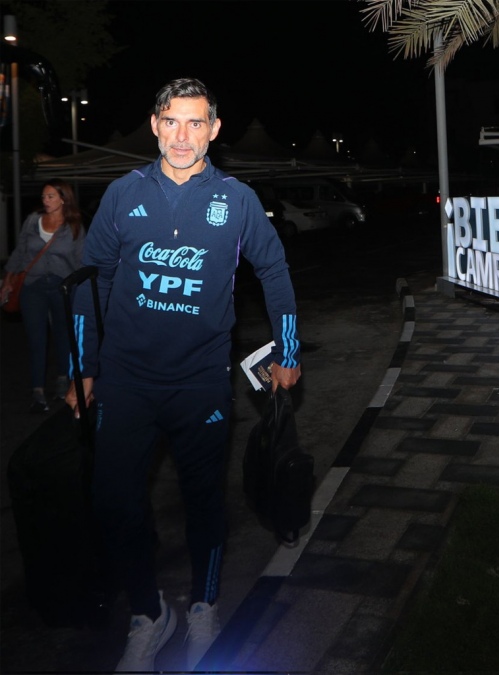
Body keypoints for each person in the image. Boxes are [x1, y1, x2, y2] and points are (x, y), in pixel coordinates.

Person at [66, 78, 301, 673]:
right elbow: (91, 283)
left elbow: (273, 270)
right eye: (171, 121)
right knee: (114, 503)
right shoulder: (122, 194)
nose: (182, 136)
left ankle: (202, 606)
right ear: (154, 124)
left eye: (196, 123)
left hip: (200, 382)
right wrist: (83, 367)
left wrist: (289, 352)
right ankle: (149, 614)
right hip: (126, 380)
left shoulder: (237, 199)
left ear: (215, 130)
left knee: (204, 504)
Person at [1, 180, 87, 412]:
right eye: (43, 197)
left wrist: (83, 291)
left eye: (50, 196)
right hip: (33, 287)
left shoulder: (74, 226)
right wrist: (7, 280)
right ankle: (37, 390)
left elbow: (81, 260)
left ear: (63, 199)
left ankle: (62, 379)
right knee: (36, 339)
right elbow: (19, 251)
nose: (45, 201)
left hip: (62, 288)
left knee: (62, 335)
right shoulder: (32, 221)